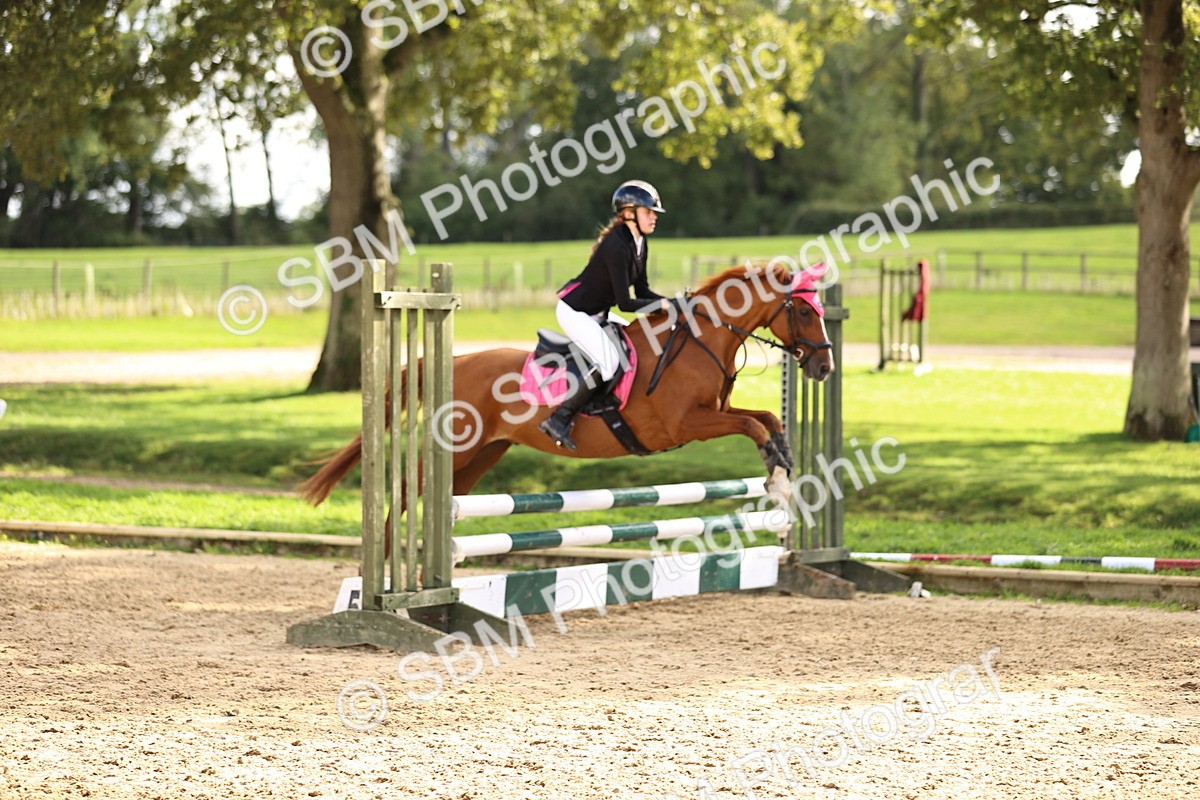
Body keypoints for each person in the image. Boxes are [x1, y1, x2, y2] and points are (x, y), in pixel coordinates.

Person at [538, 180, 672, 450]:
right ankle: (559, 419)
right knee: (609, 363)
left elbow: (642, 289)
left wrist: (672, 302)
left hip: (597, 312)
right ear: (629, 212)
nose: (654, 217)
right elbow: (625, 303)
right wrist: (662, 307)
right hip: (576, 312)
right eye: (649, 212)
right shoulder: (616, 246)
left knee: (634, 344)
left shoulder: (639, 242)